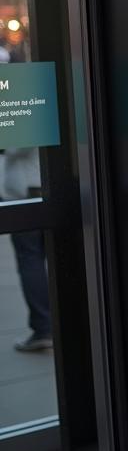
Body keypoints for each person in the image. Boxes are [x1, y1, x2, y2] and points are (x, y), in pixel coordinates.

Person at [4, 148, 51, 351]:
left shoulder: (26, 117)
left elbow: (15, 146)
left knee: (30, 259)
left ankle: (44, 328)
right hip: (40, 186)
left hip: (28, 190)